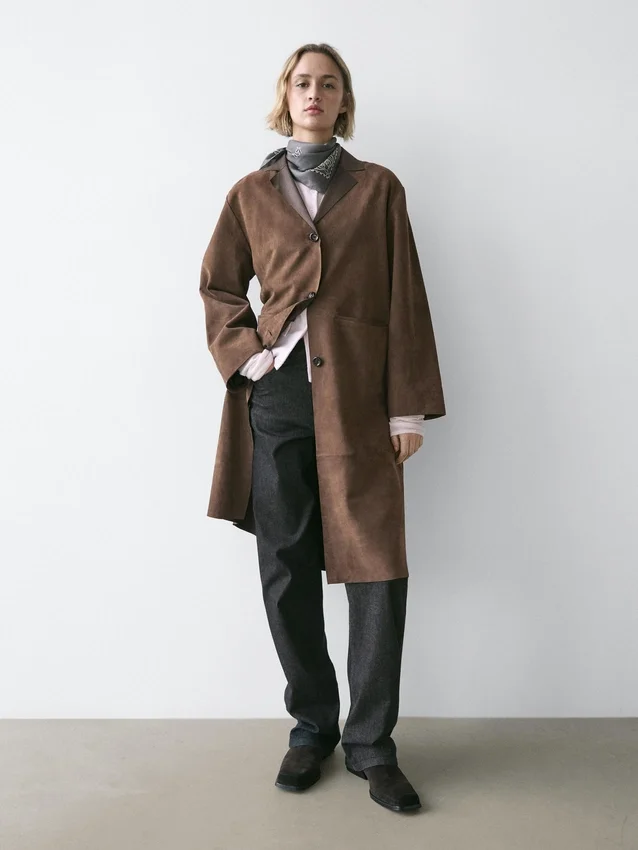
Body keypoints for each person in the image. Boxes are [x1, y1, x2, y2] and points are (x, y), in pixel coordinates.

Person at [199, 42, 446, 813]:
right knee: (285, 567)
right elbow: (217, 286)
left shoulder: (379, 189)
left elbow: (405, 294)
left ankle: (372, 746)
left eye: (329, 84)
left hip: (361, 402)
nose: (315, 93)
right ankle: (312, 727)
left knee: (376, 569)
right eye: (303, 82)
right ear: (287, 95)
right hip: (276, 403)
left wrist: (406, 407)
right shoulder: (250, 193)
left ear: (343, 101)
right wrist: (251, 355)